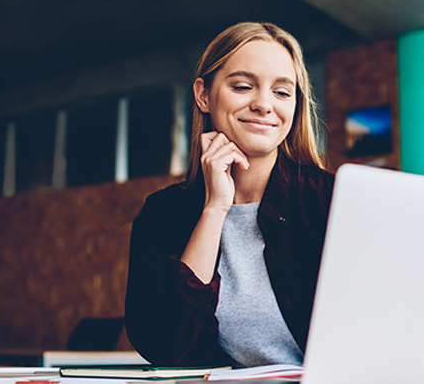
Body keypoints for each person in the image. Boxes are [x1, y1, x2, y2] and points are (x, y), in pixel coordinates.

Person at [124, 22, 334, 368]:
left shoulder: (328, 200)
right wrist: (215, 208)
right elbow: (163, 345)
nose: (264, 104)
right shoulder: (164, 213)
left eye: (282, 92)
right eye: (242, 86)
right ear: (203, 95)